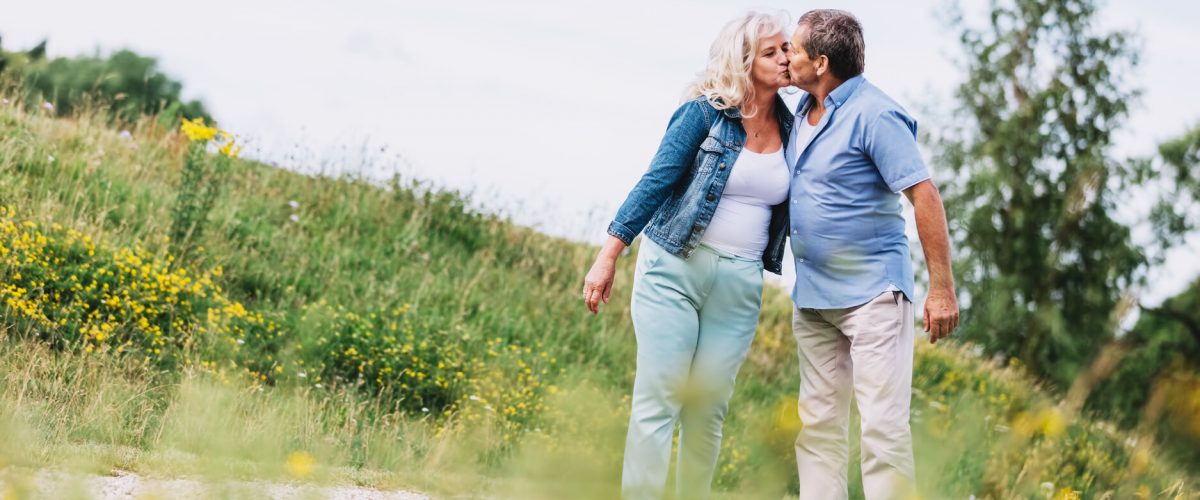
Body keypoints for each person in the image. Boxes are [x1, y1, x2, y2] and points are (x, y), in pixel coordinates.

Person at [581, 10, 793, 500]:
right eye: (772, 51)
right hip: (673, 269)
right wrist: (609, 253)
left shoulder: (794, 125)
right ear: (744, 61)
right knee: (660, 401)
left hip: (739, 283)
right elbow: (657, 180)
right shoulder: (703, 113)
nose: (786, 58)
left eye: (786, 48)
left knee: (709, 411)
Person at [783, 9, 960, 499]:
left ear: (820, 63)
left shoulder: (876, 114)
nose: (786, 55)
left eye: (794, 49)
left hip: (874, 299)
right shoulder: (799, 111)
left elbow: (924, 195)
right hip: (814, 298)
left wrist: (942, 289)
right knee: (817, 431)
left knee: (883, 432)